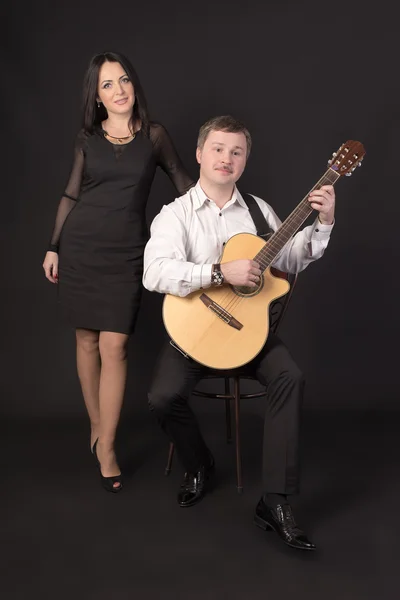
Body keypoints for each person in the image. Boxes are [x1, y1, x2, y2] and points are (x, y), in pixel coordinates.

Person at [143, 115, 336, 550]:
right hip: (196, 332)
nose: (226, 158)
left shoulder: (259, 211)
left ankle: (275, 501)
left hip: (249, 332)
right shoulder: (176, 214)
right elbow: (154, 272)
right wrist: (218, 272)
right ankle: (200, 464)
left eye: (236, 151)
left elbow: (294, 257)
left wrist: (323, 223)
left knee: (290, 375)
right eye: (217, 148)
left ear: (245, 160)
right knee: (161, 397)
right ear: (199, 154)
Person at [42, 52, 194, 493]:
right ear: (97, 97)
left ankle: (106, 443)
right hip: (81, 247)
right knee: (86, 340)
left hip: (127, 250)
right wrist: (54, 247)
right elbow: (71, 196)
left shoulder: (155, 136)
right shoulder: (87, 138)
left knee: (115, 345)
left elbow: (184, 183)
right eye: (108, 84)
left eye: (124, 79)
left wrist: (221, 203)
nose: (120, 89)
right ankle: (98, 429)